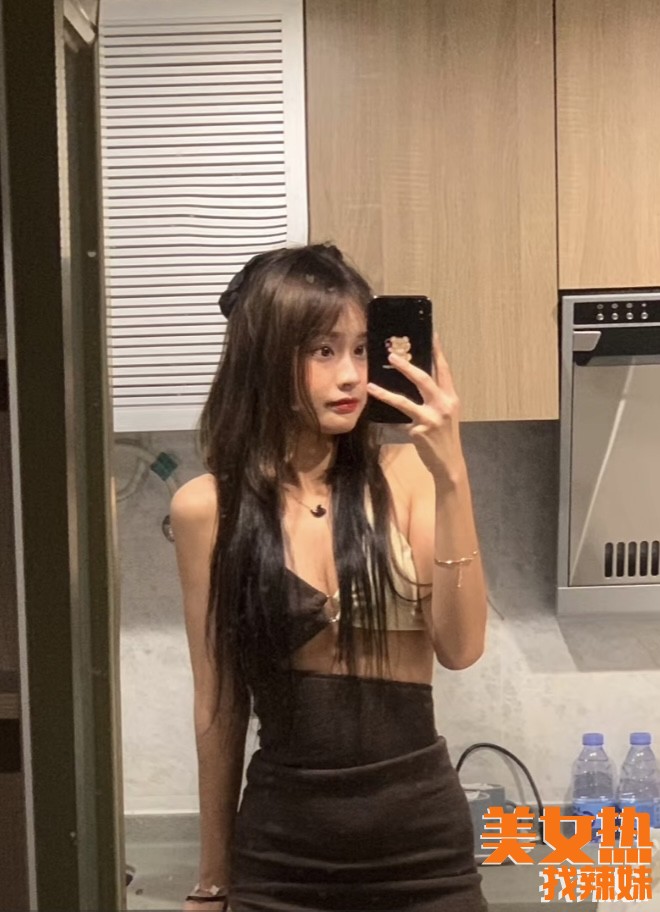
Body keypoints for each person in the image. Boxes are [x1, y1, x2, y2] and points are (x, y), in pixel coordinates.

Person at [171, 243, 489, 912]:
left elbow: (460, 649)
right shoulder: (209, 509)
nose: (350, 375)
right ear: (265, 358)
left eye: (361, 349)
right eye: (323, 350)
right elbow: (219, 705)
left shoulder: (409, 478)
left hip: (424, 856)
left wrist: (452, 475)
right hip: (280, 858)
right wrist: (212, 878)